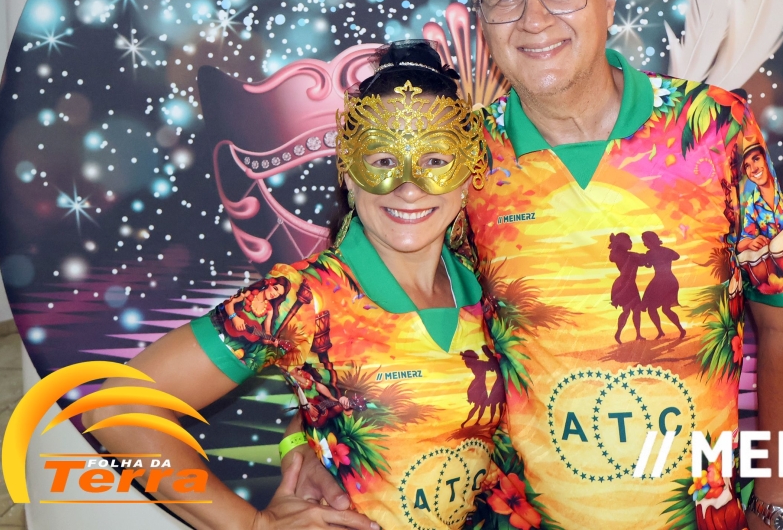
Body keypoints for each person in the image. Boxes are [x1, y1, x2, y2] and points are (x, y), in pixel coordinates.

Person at [292, 0, 783, 530]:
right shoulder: (459, 158)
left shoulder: (711, 127)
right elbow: (359, 314)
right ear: (483, 22)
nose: (534, 19)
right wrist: (304, 443)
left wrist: (778, 504)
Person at [84, 40, 502, 530]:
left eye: (435, 160)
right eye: (382, 160)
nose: (408, 187)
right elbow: (121, 404)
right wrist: (251, 526)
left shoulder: (489, 279)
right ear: (348, 173)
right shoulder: (300, 299)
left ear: (467, 173)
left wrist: (301, 437)